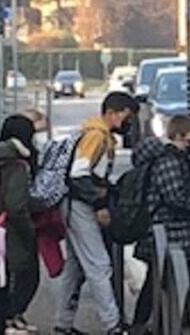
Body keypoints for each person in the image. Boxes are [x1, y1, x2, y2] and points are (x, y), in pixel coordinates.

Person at [53, 92, 137, 335]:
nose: (127, 123)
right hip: (81, 206)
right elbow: (79, 173)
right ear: (112, 113)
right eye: (125, 116)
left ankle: (63, 324)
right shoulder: (96, 137)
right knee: (99, 265)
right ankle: (113, 325)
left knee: (76, 267)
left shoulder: (96, 134)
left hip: (73, 204)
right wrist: (99, 205)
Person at [133, 115, 190, 329]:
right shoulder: (169, 161)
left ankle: (150, 322)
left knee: (156, 281)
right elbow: (175, 198)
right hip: (168, 230)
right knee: (164, 279)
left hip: (166, 230)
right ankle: (158, 322)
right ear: (180, 136)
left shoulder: (170, 158)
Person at [0, 109, 51, 334]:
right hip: (10, 231)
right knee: (11, 279)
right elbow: (16, 205)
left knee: (0, 279)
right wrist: (29, 230)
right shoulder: (17, 164)